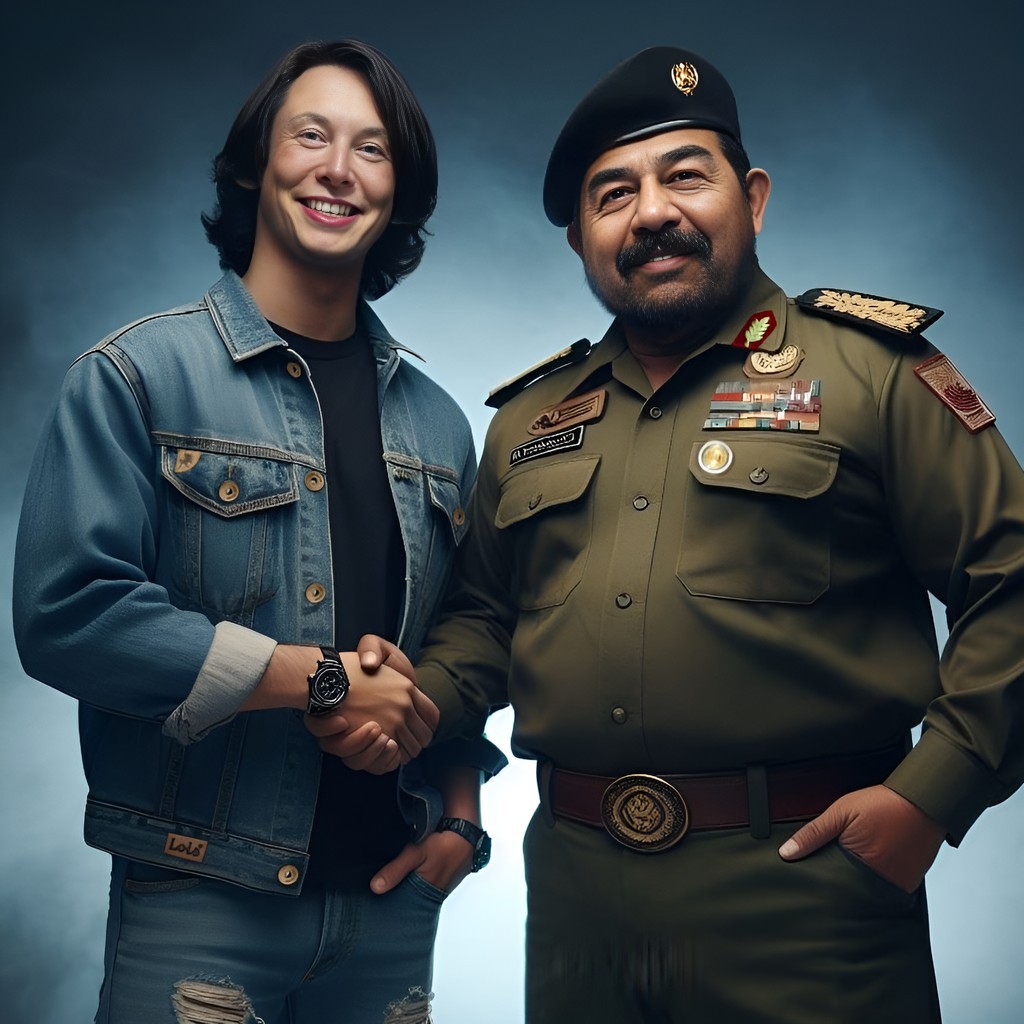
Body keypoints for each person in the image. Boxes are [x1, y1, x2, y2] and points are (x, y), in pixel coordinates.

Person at [333, 46, 1024, 1022]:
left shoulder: (869, 371)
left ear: (752, 198)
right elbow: (485, 620)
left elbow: (1013, 580)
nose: (650, 211)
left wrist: (928, 798)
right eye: (611, 194)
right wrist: (404, 706)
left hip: (806, 892)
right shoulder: (530, 418)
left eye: (683, 176)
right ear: (580, 239)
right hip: (576, 899)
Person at [13, 38, 503, 1024]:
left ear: (398, 191)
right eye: (309, 135)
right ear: (253, 165)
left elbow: (469, 634)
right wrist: (314, 676)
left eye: (370, 149)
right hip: (200, 897)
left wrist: (462, 816)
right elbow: (68, 612)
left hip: (392, 905)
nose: (336, 168)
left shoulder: (443, 425)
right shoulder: (135, 378)